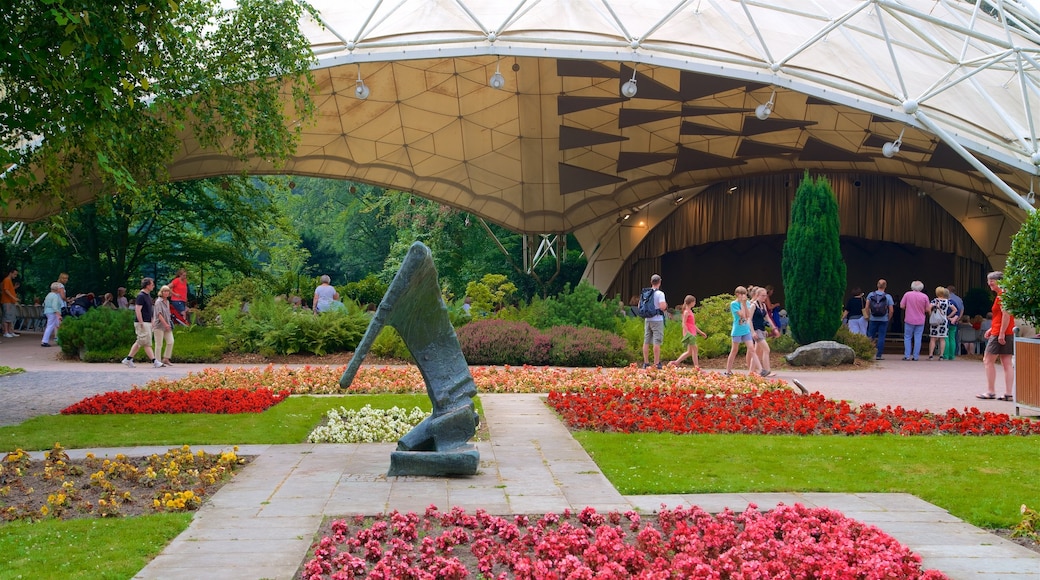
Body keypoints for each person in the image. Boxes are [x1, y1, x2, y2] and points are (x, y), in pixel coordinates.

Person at [977, 271, 1015, 401]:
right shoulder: (1006, 294)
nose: (990, 283)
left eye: (992, 280)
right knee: (1007, 362)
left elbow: (1005, 315)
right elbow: (1002, 316)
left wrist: (1000, 332)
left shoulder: (1001, 295)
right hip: (1006, 330)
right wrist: (993, 328)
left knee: (988, 360)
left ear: (999, 281)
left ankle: (991, 391)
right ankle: (1008, 393)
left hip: (1000, 331)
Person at [120, 277, 165, 368]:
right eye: (152, 284)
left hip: (147, 321)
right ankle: (154, 361)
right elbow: (138, 309)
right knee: (146, 343)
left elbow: (148, 310)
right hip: (142, 322)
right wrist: (141, 322)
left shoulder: (147, 296)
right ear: (147, 285)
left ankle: (128, 359)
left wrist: (151, 320)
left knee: (140, 341)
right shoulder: (141, 296)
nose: (153, 286)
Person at [725, 286, 761, 376]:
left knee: (752, 349)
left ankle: (760, 369)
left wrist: (745, 304)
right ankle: (728, 370)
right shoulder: (734, 304)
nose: (743, 296)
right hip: (737, 330)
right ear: (737, 294)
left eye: (744, 294)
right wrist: (742, 304)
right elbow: (742, 315)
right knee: (734, 350)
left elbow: (748, 315)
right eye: (741, 294)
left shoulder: (747, 303)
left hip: (746, 330)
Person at [750, 286, 780, 376]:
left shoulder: (763, 305)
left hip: (762, 330)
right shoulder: (753, 305)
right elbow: (749, 319)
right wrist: (752, 332)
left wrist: (774, 328)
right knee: (766, 349)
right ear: (757, 295)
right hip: (756, 330)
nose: (764, 298)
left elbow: (767, 318)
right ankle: (767, 370)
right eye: (762, 296)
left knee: (757, 352)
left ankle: (751, 372)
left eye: (765, 296)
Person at [670, 295, 707, 368]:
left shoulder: (690, 311)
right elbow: (683, 323)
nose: (695, 303)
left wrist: (701, 332)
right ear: (691, 302)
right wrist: (687, 333)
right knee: (695, 349)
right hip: (689, 334)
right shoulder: (686, 312)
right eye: (694, 302)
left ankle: (676, 362)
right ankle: (697, 367)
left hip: (692, 333)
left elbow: (693, 325)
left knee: (690, 352)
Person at [641, 274, 667, 369]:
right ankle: (656, 363)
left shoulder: (645, 293)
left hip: (647, 319)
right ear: (659, 282)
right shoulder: (660, 294)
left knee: (646, 340)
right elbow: (663, 306)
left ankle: (646, 362)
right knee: (657, 341)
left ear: (651, 282)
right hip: (657, 320)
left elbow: (640, 305)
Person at [899, 280, 930, 361]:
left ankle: (907, 355)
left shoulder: (907, 294)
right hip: (920, 319)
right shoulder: (925, 296)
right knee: (918, 338)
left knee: (907, 337)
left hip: (909, 319)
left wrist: (908, 308)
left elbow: (902, 306)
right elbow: (927, 309)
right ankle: (916, 356)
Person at [865, 279, 894, 360]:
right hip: (883, 319)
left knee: (870, 336)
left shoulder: (871, 295)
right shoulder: (888, 296)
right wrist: (888, 318)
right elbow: (891, 310)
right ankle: (878, 355)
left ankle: (868, 354)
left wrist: (868, 316)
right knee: (881, 337)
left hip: (873, 319)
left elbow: (866, 307)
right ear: (885, 286)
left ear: (877, 285)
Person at [926, 286, 957, 360]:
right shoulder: (947, 301)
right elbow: (955, 310)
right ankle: (941, 355)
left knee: (933, 339)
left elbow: (928, 308)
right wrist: (947, 316)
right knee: (942, 339)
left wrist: (931, 315)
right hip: (943, 321)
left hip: (935, 321)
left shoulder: (935, 301)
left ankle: (931, 355)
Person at [153, 285, 175, 367]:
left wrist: (168, 324)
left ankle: (166, 358)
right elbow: (159, 314)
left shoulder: (167, 302)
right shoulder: (158, 301)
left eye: (167, 291)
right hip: (159, 325)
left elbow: (167, 314)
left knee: (171, 341)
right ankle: (157, 361)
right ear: (161, 292)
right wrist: (165, 324)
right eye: (164, 291)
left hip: (167, 325)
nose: (166, 293)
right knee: (159, 344)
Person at [942, 285, 964, 360]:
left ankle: (946, 355)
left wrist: (947, 317)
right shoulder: (956, 300)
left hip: (945, 322)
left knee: (945, 339)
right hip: (954, 322)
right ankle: (952, 355)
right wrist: (957, 319)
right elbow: (960, 311)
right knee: (952, 338)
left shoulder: (943, 302)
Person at [41, 282, 64, 347]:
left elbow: (44, 304)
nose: (61, 289)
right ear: (57, 289)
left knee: (58, 325)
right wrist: (58, 314)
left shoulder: (49, 295)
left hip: (48, 311)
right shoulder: (55, 296)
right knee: (51, 326)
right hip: (53, 312)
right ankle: (44, 341)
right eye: (60, 288)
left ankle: (59, 339)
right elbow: (54, 306)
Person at [1, 269, 19, 338]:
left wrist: (14, 288)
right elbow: (6, 290)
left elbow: (9, 290)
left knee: (10, 317)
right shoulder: (7, 280)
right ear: (10, 273)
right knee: (7, 317)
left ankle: (10, 331)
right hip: (7, 301)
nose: (15, 276)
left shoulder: (9, 281)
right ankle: (6, 332)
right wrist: (14, 298)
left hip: (10, 301)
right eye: (14, 274)